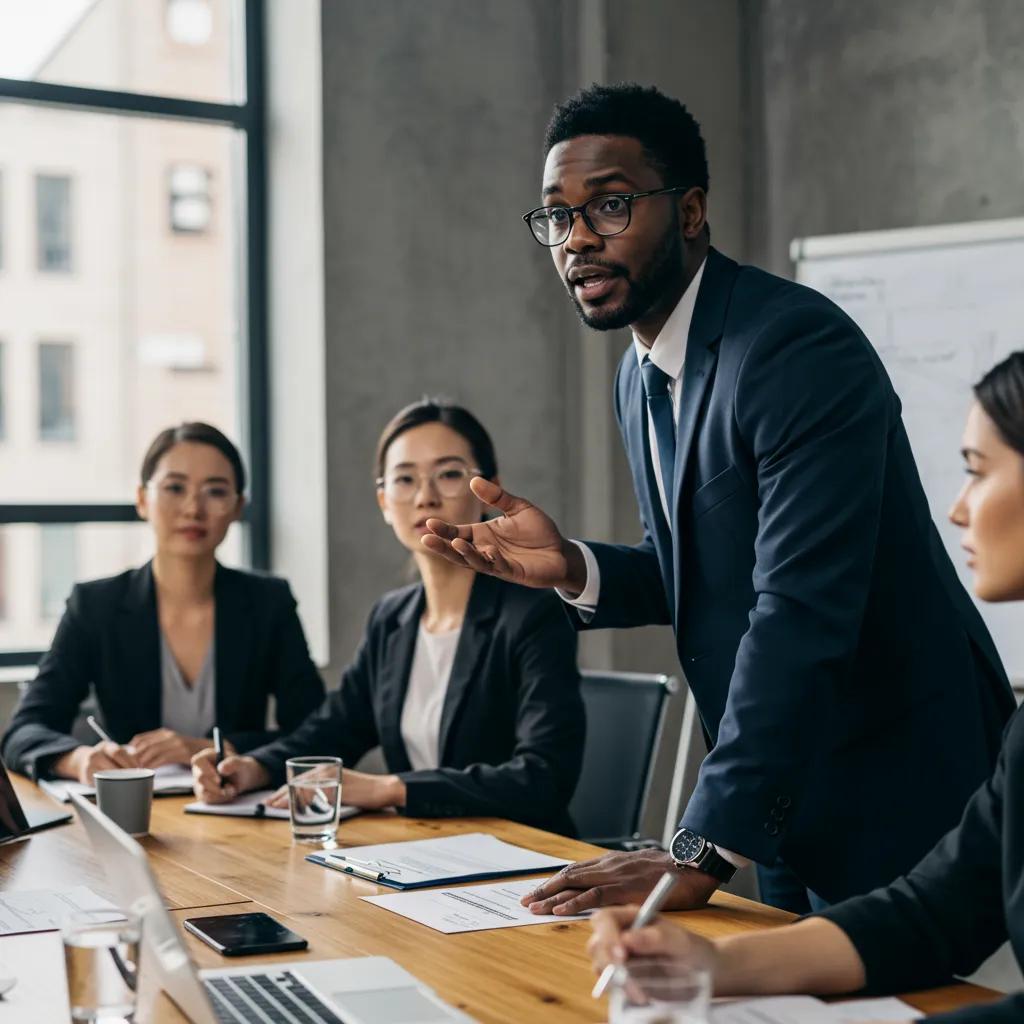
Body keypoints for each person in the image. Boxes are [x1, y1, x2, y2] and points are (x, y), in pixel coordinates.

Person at [423, 83, 1016, 913]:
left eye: (612, 205)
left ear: (691, 211)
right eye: (557, 215)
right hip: (781, 801)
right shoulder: (640, 375)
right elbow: (708, 567)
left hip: (897, 781)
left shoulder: (791, 347)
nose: (577, 240)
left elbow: (799, 608)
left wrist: (699, 848)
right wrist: (577, 567)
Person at [588, 351, 1024, 1023]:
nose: (959, 510)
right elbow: (935, 910)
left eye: (977, 472)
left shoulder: (800, 352)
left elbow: (797, 621)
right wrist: (710, 964)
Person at [191, 399, 585, 834]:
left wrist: (389, 789)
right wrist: (255, 767)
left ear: (489, 488)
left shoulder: (532, 613)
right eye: (404, 479)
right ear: (383, 501)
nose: (425, 496)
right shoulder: (392, 617)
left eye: (450, 474)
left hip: (525, 857)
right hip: (423, 848)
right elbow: (336, 728)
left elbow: (544, 777)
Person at [2, 422, 326, 784]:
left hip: (239, 811)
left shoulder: (268, 602)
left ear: (238, 507)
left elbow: (316, 731)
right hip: (131, 812)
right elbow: (23, 730)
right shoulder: (96, 605)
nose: (193, 508)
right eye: (174, 488)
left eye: (215, 491)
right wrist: (78, 760)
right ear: (142, 499)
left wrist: (213, 748)